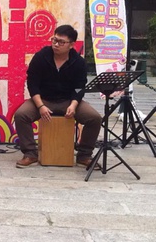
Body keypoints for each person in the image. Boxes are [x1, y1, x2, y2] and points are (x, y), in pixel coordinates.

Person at [14, 24, 102, 169]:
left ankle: (84, 155)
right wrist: (40, 106)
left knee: (94, 118)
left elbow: (79, 87)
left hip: (68, 100)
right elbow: (32, 84)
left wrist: (73, 105)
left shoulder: (78, 62)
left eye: (61, 42)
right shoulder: (41, 57)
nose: (56, 44)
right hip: (43, 99)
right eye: (54, 40)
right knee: (21, 115)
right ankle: (30, 153)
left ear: (71, 45)